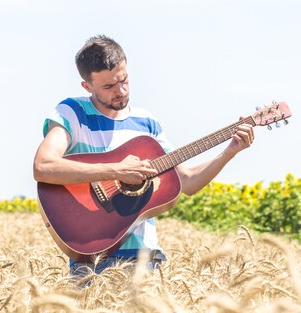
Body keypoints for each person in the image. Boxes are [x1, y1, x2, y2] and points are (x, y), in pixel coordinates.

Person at [33, 35, 254, 278]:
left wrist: (228, 152)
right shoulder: (72, 112)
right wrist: (115, 171)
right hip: (93, 254)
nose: (120, 91)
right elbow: (44, 166)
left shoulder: (147, 123)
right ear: (87, 87)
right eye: (108, 87)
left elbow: (187, 181)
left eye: (124, 80)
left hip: (145, 257)